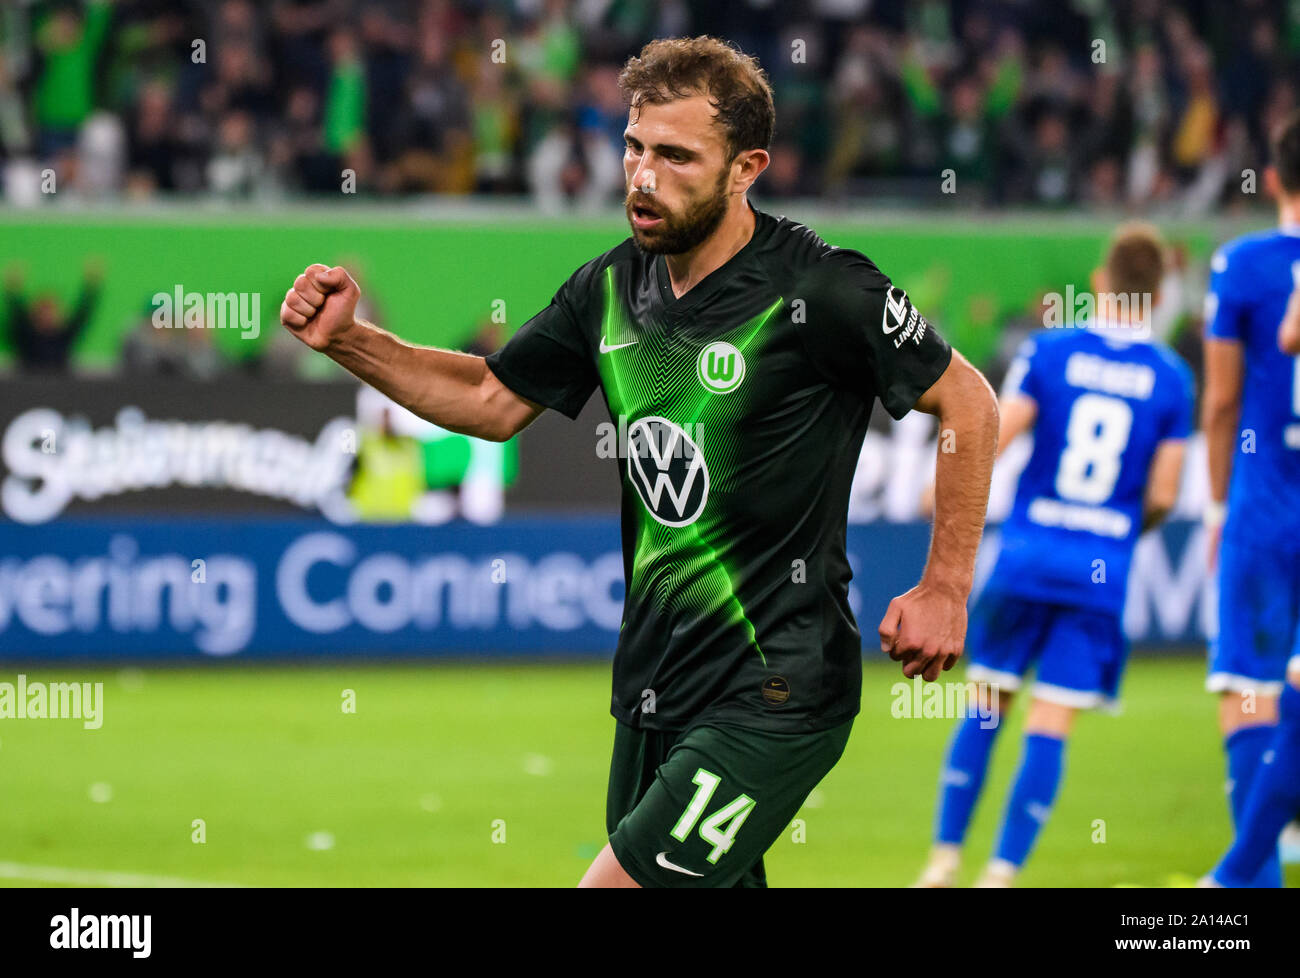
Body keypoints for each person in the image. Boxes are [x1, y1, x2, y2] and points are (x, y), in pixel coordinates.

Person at [279, 36, 998, 888]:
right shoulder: (609, 289)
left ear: (746, 167)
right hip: (656, 688)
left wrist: (946, 585)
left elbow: (969, 402)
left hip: (779, 688)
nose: (643, 175)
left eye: (676, 155)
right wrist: (351, 342)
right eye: (634, 147)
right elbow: (487, 399)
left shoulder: (822, 289)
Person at [917, 223, 1193, 887]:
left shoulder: (1051, 352)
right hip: (1100, 572)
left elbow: (993, 436)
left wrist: (941, 495)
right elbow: (1163, 491)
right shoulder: (1171, 378)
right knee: (1051, 720)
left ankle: (941, 861)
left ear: (1101, 284)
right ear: (1157, 299)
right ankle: (1002, 875)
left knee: (988, 704)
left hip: (1028, 556)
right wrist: (1121, 526)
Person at [1199, 110, 1300, 888]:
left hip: (1264, 506)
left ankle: (1247, 881)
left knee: (1249, 682)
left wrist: (1216, 505)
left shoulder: (1241, 264)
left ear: (1272, 179)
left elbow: (1222, 403)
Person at [3, 257, 103, 372]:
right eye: (43, 312)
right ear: (34, 314)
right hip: (27, 386)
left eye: (51, 312)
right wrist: (12, 289)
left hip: (61, 387)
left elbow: (82, 316)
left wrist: (91, 288)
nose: (47, 316)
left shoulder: (64, 337)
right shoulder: (25, 337)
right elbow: (17, 314)